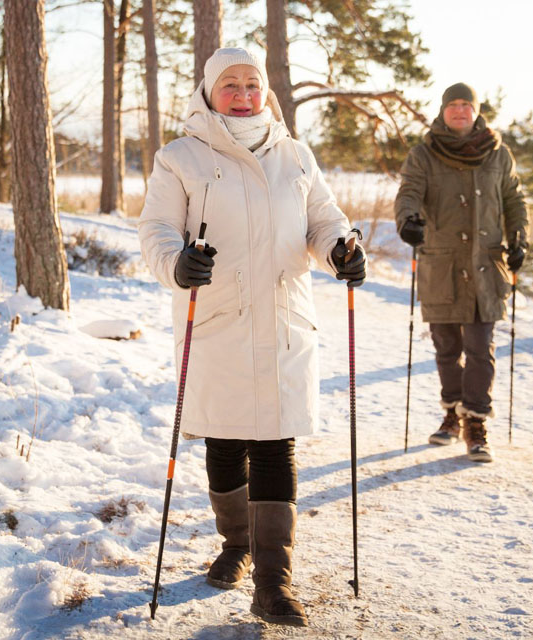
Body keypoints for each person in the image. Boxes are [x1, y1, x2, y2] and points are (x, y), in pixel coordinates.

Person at [138, 47, 366, 627]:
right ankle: (236, 543)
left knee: (275, 443)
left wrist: (341, 250)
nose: (243, 93)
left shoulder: (295, 156)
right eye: (230, 84)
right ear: (210, 93)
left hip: (285, 319)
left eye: (252, 84)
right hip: (217, 320)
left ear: (266, 92)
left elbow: (323, 219)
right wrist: (177, 263)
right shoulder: (180, 158)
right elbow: (157, 231)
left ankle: (273, 581)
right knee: (224, 442)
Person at [394, 82, 529, 463]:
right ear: (442, 111)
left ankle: (476, 422)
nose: (459, 111)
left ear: (476, 111)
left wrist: (520, 238)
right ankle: (451, 413)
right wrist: (408, 221)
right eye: (452, 105)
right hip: (442, 266)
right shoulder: (423, 154)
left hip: (485, 267)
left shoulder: (498, 154)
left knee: (480, 349)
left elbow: (514, 199)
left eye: (465, 105)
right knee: (447, 350)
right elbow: (408, 192)